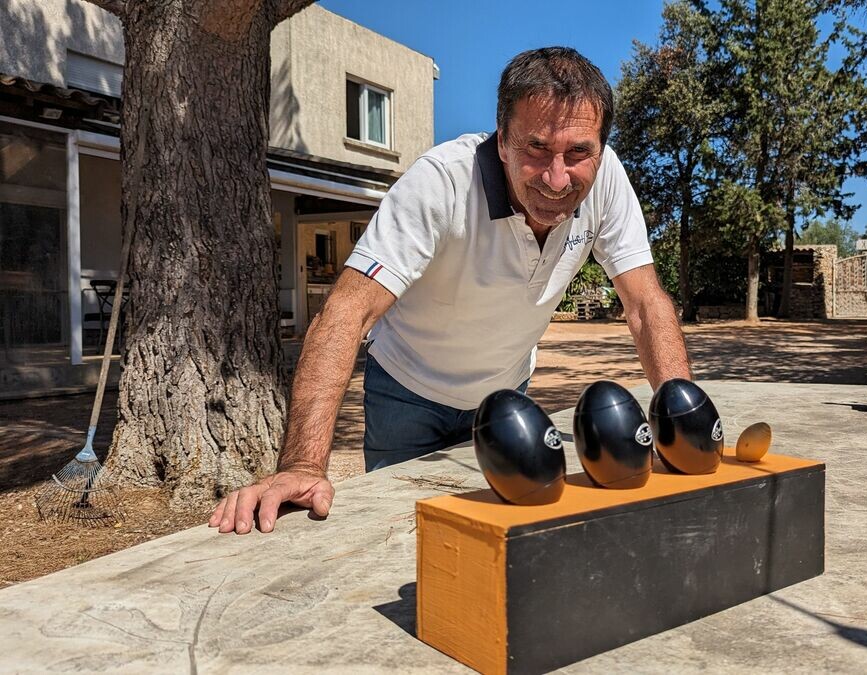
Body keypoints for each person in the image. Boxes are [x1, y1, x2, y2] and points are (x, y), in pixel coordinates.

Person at [210, 47, 690, 535]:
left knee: (504, 532)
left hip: (504, 393)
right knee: (401, 537)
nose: (557, 177)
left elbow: (645, 304)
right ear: (502, 141)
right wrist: (303, 465)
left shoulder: (607, 181)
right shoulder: (441, 182)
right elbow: (346, 312)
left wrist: (683, 421)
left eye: (579, 153)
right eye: (536, 148)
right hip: (407, 393)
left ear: (600, 150)